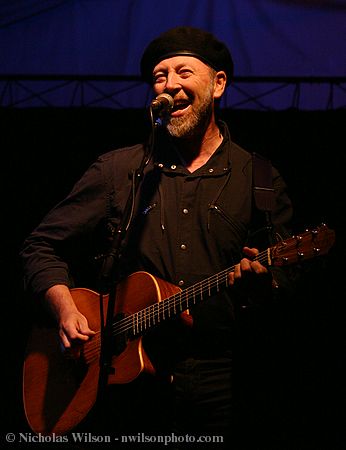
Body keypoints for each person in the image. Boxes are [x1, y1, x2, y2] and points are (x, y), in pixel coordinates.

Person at [20, 26, 298, 448]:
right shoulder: (120, 171)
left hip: (223, 378)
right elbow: (40, 245)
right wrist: (63, 307)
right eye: (160, 76)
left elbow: (290, 281)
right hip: (123, 384)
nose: (170, 85)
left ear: (218, 84)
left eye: (184, 72)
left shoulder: (258, 178)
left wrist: (265, 284)